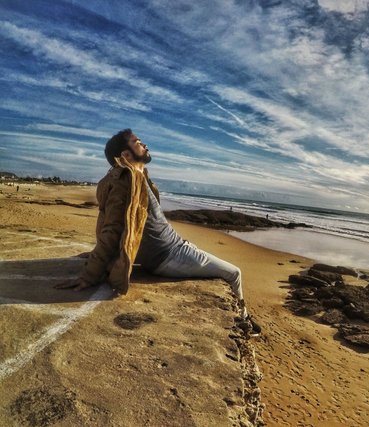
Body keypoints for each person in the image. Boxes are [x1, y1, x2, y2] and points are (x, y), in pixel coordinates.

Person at [55, 129, 260, 335]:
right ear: (126, 155)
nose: (145, 145)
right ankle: (244, 322)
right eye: (138, 142)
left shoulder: (136, 177)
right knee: (234, 273)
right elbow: (111, 227)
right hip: (170, 256)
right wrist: (91, 274)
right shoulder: (127, 181)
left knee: (209, 259)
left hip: (175, 248)